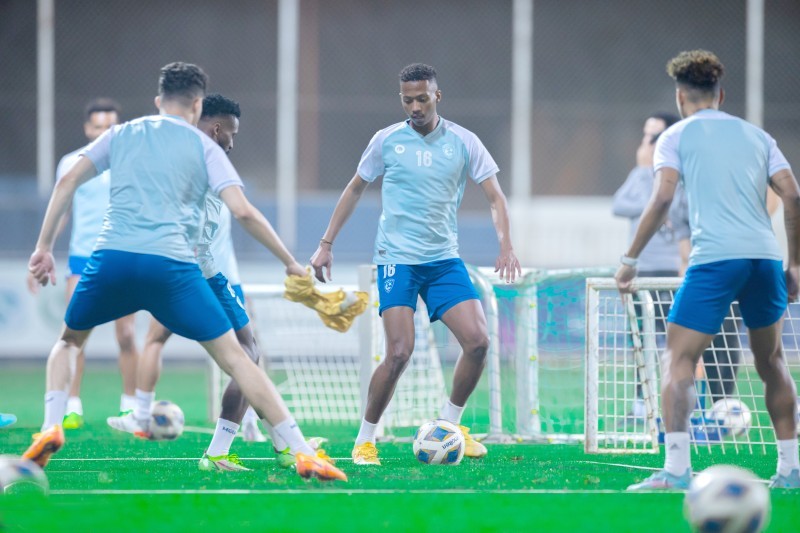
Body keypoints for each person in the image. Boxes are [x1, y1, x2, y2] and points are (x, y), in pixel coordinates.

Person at [23, 62, 346, 482]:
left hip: (111, 259)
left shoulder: (121, 134)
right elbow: (244, 212)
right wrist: (289, 261)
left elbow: (67, 181)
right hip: (172, 266)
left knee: (69, 341)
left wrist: (43, 247)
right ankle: (300, 450)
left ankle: (50, 425)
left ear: (158, 100)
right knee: (240, 358)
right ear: (197, 105)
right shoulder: (204, 146)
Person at [310, 63, 521, 466]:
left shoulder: (464, 141)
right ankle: (365, 440)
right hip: (397, 261)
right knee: (399, 352)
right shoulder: (386, 140)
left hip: (443, 261)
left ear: (437, 96)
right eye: (408, 100)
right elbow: (355, 188)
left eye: (422, 99)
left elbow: (495, 196)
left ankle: (450, 425)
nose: (415, 107)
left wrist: (506, 244)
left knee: (478, 342)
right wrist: (326, 244)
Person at [107, 93, 323, 471]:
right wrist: (289, 261)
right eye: (232, 134)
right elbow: (245, 213)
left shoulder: (168, 153)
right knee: (247, 355)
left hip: (176, 268)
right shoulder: (209, 156)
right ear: (217, 128)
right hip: (200, 273)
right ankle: (225, 449)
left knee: (233, 353)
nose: (232, 143)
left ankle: (280, 443)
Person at [616, 50, 799, 490]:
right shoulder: (758, 136)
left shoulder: (674, 136)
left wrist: (629, 260)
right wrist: (794, 262)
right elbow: (792, 195)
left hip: (714, 259)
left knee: (678, 359)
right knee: (772, 361)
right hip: (763, 258)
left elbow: (661, 199)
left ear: (680, 97)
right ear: (721, 95)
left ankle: (677, 470)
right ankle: (790, 471)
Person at [613, 112, 745, 429]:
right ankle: (643, 403)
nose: (646, 143)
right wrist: (646, 174)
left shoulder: (684, 175)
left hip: (678, 272)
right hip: (643, 272)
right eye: (645, 135)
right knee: (643, 338)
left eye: (654, 136)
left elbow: (673, 207)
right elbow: (620, 205)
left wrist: (659, 198)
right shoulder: (641, 175)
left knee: (698, 337)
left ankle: (718, 405)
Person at [27, 98, 139, 429]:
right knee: (75, 333)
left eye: (111, 126)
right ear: (88, 128)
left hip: (122, 257)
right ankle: (72, 405)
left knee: (127, 334)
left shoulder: (132, 161)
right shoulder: (71, 163)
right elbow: (62, 211)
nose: (104, 131)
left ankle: (129, 406)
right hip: (82, 259)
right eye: (98, 126)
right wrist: (43, 250)